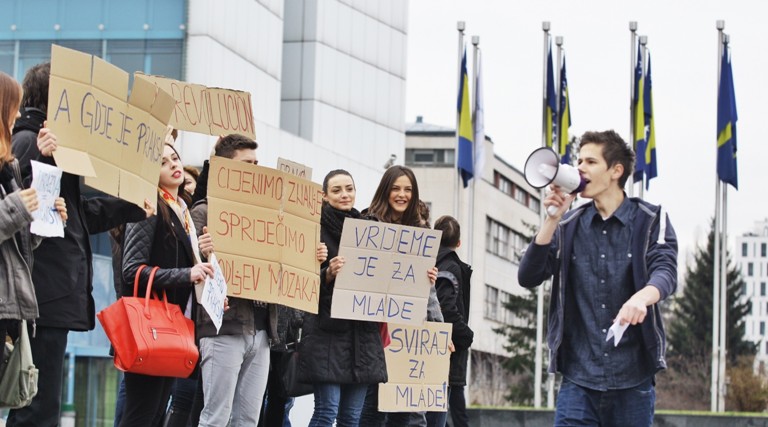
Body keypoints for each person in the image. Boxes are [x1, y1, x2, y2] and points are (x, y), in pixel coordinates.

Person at [8, 62, 151, 427]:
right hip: (43, 294)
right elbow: (21, 205)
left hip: (54, 292)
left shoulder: (54, 149)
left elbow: (78, 215)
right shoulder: (28, 142)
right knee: (36, 406)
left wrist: (132, 205)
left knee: (43, 403)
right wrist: (43, 158)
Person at [517, 130, 678, 427]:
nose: (580, 168)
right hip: (579, 380)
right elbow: (528, 276)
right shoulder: (566, 225)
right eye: (579, 161)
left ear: (616, 170)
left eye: (590, 161)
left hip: (633, 379)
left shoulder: (651, 219)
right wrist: (551, 219)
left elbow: (665, 270)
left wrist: (642, 297)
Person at [190, 133, 327, 426]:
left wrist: (310, 255)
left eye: (257, 162)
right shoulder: (205, 212)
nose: (255, 168)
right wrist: (203, 254)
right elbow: (189, 268)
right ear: (224, 169)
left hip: (263, 330)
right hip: (224, 327)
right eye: (247, 163)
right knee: (216, 417)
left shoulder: (272, 217)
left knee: (248, 419)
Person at [119, 143, 213, 426]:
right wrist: (187, 274)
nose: (173, 164)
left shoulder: (182, 212)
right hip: (150, 328)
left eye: (175, 158)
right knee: (141, 414)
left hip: (172, 328)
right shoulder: (148, 206)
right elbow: (132, 270)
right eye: (162, 162)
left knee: (157, 413)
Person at [298, 169, 388, 427]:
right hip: (327, 334)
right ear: (324, 196)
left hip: (363, 335)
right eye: (336, 190)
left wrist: (421, 275)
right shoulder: (311, 230)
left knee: (351, 418)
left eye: (349, 188)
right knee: (327, 412)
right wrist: (327, 273)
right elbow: (299, 283)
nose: (345, 195)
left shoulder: (371, 231)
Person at [358, 165, 441, 427]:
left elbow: (430, 295)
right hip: (374, 334)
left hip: (409, 335)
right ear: (385, 191)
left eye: (408, 189)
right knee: (374, 411)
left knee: (411, 415)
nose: (402, 194)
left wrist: (439, 333)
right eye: (396, 188)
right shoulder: (367, 226)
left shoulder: (422, 235)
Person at [0, 71, 67, 373]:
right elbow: (11, 213)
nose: (17, 116)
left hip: (9, 306)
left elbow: (19, 239)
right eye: (13, 108)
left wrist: (42, 216)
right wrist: (18, 207)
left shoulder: (9, 165)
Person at [428, 215, 473, 427]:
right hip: (448, 348)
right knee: (441, 413)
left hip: (430, 346)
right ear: (459, 242)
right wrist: (466, 335)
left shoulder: (430, 263)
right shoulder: (451, 267)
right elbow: (447, 308)